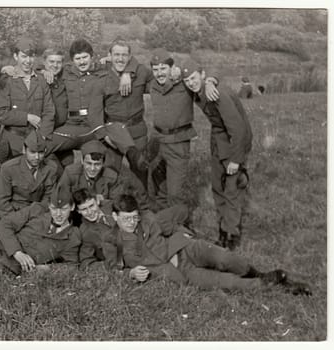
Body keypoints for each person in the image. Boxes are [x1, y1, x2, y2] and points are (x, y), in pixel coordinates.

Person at [102, 194, 312, 295]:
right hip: (178, 270)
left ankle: (258, 273)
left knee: (225, 257)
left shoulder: (148, 218)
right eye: (126, 218)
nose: (132, 222)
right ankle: (276, 287)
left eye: (134, 217)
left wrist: (187, 237)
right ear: (114, 216)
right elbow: (113, 269)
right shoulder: (112, 240)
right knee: (225, 282)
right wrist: (130, 274)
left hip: (185, 249)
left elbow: (173, 224)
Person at [181, 60, 253, 250]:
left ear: (202, 75)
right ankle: (223, 232)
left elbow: (238, 129)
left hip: (233, 142)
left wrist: (236, 161)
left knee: (231, 190)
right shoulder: (200, 89)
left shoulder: (216, 94)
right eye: (187, 80)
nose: (190, 83)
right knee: (217, 187)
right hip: (219, 142)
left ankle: (231, 237)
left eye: (194, 78)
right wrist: (212, 79)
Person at [42, 39, 140, 170]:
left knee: (101, 157)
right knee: (41, 147)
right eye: (78, 58)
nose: (82, 62)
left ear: (92, 57)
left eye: (85, 57)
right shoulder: (65, 71)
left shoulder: (103, 69)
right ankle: (61, 178)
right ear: (72, 60)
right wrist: (44, 71)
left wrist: (127, 72)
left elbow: (128, 60)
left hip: (94, 126)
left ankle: (135, 158)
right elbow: (44, 66)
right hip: (71, 125)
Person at [148, 49, 220, 210]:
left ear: (171, 68)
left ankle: (178, 226)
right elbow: (133, 72)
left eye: (163, 69)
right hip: (157, 141)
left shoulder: (183, 82)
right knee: (158, 186)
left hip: (178, 143)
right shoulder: (151, 83)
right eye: (155, 69)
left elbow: (211, 71)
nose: (159, 73)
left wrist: (210, 81)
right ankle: (163, 222)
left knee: (175, 192)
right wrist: (125, 74)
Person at [74, 189, 189, 271]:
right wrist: (111, 264)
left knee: (179, 210)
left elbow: (141, 214)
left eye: (91, 206)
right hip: (132, 250)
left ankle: (182, 232)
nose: (90, 212)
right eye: (84, 209)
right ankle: (178, 234)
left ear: (97, 201)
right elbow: (86, 262)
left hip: (145, 231)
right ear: (78, 212)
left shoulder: (112, 205)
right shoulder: (85, 232)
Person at [89, 38, 152, 186]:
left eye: (124, 55)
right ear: (109, 55)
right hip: (113, 132)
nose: (120, 59)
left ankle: (141, 206)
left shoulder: (140, 72)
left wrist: (129, 72)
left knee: (140, 170)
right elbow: (94, 112)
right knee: (110, 173)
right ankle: (110, 205)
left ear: (130, 57)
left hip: (136, 130)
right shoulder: (101, 78)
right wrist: (103, 136)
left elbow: (159, 78)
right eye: (116, 54)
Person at [0, 37, 55, 164]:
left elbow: (49, 112)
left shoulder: (42, 80)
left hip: (36, 143)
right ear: (16, 56)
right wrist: (27, 117)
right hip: (13, 143)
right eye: (24, 56)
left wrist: (43, 137)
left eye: (31, 56)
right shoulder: (7, 81)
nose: (28, 61)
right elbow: (0, 115)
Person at [58, 140, 149, 210]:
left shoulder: (111, 177)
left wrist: (102, 202)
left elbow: (117, 204)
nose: (92, 169)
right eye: (89, 163)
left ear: (103, 163)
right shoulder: (70, 173)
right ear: (82, 161)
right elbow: (60, 198)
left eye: (97, 164)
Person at [0, 130, 58, 216]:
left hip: (39, 213)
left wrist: (37, 215)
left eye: (41, 153)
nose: (37, 157)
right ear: (24, 150)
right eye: (32, 152)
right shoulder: (8, 168)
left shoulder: (51, 168)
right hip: (14, 214)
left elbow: (49, 198)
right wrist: (16, 220)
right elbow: (2, 202)